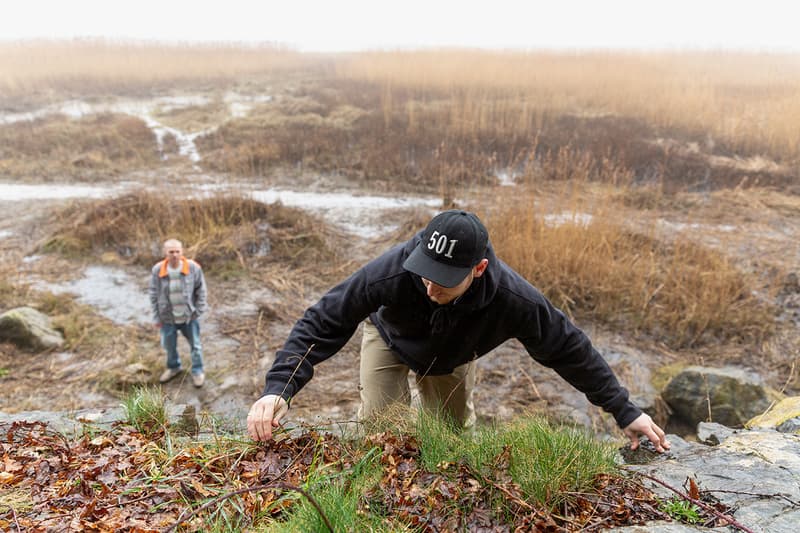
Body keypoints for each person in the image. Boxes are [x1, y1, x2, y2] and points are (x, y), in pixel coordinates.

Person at [247, 210, 669, 452]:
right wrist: (279, 388)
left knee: (449, 447)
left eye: (444, 280)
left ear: (478, 269)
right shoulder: (393, 271)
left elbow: (567, 347)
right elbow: (326, 318)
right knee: (380, 434)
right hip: (389, 341)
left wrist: (625, 411)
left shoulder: (513, 298)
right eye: (425, 274)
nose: (430, 287)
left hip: (451, 358)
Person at [149, 238, 208, 388]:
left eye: (177, 251)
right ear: (165, 253)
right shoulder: (158, 270)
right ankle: (174, 367)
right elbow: (153, 294)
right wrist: (156, 317)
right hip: (167, 318)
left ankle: (197, 371)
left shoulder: (193, 267)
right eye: (171, 252)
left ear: (182, 252)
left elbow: (201, 290)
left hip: (189, 317)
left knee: (195, 346)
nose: (174, 255)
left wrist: (199, 310)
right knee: (169, 346)